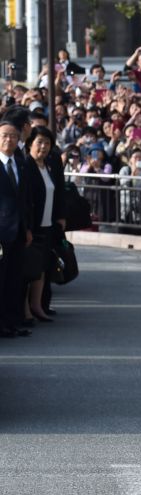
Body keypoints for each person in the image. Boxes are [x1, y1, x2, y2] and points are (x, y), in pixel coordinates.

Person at [23, 125, 64, 324]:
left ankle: (37, 305)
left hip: (48, 224)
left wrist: (59, 217)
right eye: (40, 142)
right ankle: (25, 310)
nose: (44, 147)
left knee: (41, 268)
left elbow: (57, 193)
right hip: (33, 225)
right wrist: (27, 227)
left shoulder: (48, 166)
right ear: (30, 143)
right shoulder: (26, 166)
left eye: (47, 143)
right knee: (28, 269)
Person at [0, 120, 32, 337]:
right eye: (4, 135)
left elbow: (26, 200)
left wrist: (27, 228)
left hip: (19, 231)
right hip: (1, 233)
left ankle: (13, 321)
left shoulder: (20, 164)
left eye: (12, 135)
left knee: (15, 280)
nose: (8, 139)